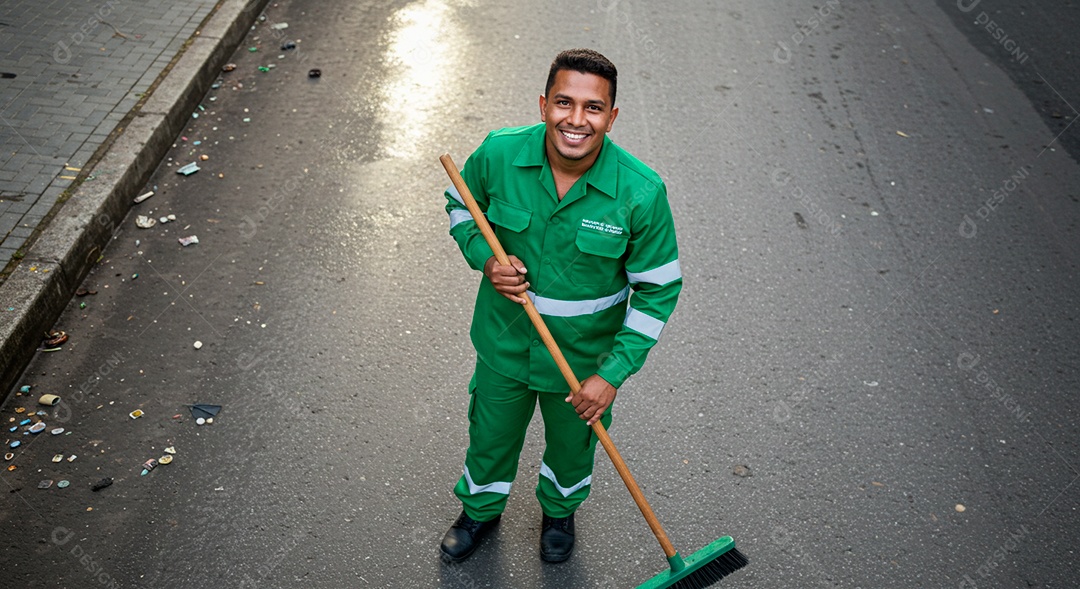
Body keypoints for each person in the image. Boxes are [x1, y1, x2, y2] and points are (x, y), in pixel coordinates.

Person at [440, 48, 682, 564]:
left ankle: (559, 513)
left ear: (611, 117)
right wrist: (486, 259)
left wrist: (612, 373)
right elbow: (461, 204)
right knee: (490, 437)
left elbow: (659, 289)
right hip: (504, 343)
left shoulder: (641, 192)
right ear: (543, 104)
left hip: (583, 363)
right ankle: (479, 512)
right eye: (564, 103)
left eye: (593, 108)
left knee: (571, 453)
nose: (576, 120)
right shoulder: (499, 153)